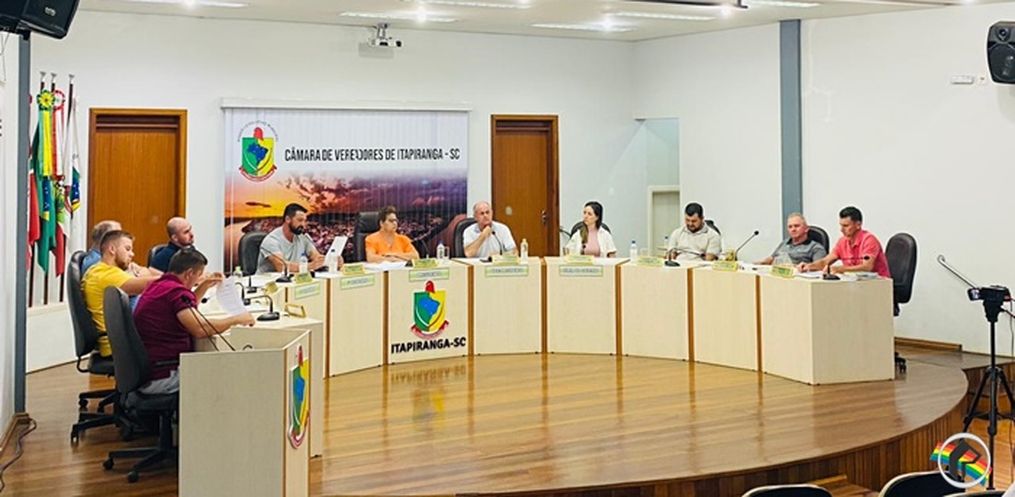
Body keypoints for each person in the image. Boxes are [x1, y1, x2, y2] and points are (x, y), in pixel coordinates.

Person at [133, 249, 255, 395]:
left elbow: (184, 309)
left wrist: (204, 285)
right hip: (164, 375)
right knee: (227, 374)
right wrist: (236, 319)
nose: (198, 280)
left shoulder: (160, 285)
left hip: (147, 370)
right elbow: (200, 329)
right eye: (199, 275)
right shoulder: (176, 292)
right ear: (189, 273)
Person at [82, 230, 160, 357]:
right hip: (118, 346)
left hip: (116, 341)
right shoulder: (106, 274)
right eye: (127, 249)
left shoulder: (97, 270)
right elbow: (148, 285)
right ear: (112, 249)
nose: (132, 254)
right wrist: (179, 277)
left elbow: (143, 276)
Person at [800, 206, 891, 278]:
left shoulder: (869, 240)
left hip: (878, 283)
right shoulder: (842, 241)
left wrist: (840, 269)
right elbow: (825, 262)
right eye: (841, 225)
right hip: (854, 283)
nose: (841, 229)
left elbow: (867, 267)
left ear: (858, 225)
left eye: (846, 226)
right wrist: (809, 266)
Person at [257, 203, 327, 274]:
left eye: (305, 221)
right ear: (287, 219)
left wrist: (325, 261)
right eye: (300, 220)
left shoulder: (303, 237)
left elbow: (316, 257)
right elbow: (281, 267)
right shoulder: (271, 240)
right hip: (268, 280)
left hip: (293, 279)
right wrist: (309, 266)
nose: (303, 225)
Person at [756, 213, 827, 265]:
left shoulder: (816, 248)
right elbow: (771, 259)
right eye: (790, 227)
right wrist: (759, 264)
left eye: (796, 226)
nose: (793, 229)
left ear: (806, 229)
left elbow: (819, 268)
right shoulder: (784, 243)